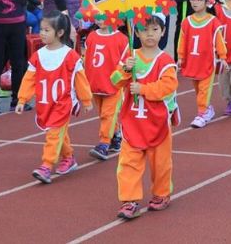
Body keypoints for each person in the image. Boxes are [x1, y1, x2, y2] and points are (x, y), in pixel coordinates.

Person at [111, 13, 179, 219]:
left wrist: (143, 88)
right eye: (145, 30)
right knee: (128, 162)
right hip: (132, 121)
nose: (150, 34)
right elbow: (114, 81)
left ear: (163, 32)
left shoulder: (165, 61)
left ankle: (161, 193)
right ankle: (129, 200)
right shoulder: (131, 57)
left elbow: (168, 86)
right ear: (137, 32)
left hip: (157, 122)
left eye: (155, 30)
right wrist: (125, 70)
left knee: (160, 163)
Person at [16, 11, 93, 184]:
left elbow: (79, 78)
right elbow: (29, 78)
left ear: (59, 33)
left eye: (46, 30)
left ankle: (46, 165)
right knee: (58, 133)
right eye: (41, 30)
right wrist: (22, 99)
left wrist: (86, 100)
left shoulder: (69, 56)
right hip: (45, 102)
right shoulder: (38, 55)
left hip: (63, 103)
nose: (42, 33)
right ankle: (68, 157)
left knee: (53, 134)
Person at [177, 0, 227, 128]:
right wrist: (181, 57)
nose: (195, 2)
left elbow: (219, 41)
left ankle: (201, 113)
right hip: (193, 61)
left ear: (206, 2)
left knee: (204, 89)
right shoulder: (187, 22)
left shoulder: (213, 22)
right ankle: (207, 109)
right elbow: (182, 41)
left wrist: (222, 57)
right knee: (198, 89)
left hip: (207, 62)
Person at [84, 17, 128, 159]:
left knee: (107, 115)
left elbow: (125, 63)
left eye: (105, 15)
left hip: (113, 86)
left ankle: (104, 143)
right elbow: (87, 58)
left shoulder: (121, 39)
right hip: (95, 84)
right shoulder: (91, 36)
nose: (100, 18)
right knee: (103, 114)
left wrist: (118, 79)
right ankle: (116, 136)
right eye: (98, 15)